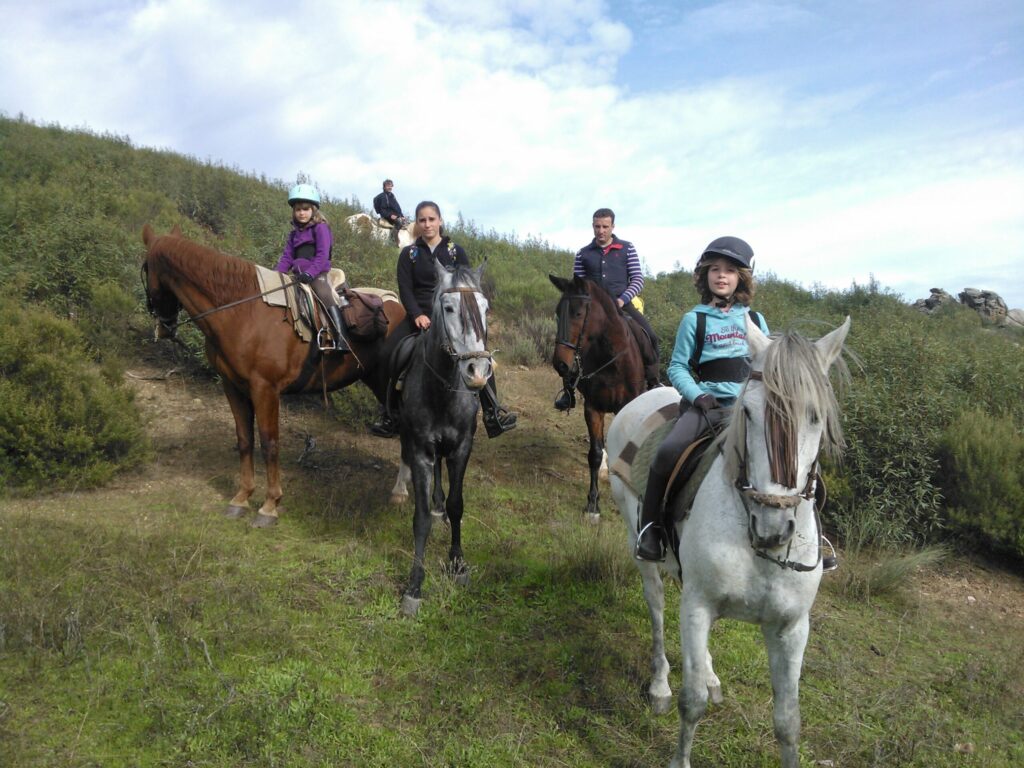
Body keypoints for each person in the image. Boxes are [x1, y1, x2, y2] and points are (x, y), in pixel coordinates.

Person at [634, 236, 769, 562]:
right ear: (705, 275)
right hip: (706, 407)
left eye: (729, 271)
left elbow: (768, 368)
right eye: (715, 269)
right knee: (667, 452)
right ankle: (649, 528)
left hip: (747, 408)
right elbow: (677, 366)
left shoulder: (757, 321)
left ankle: (814, 537)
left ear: (741, 278)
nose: (721, 276)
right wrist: (698, 395)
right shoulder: (694, 319)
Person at [369, 201, 518, 439]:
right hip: (419, 316)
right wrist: (417, 314)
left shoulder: (455, 251)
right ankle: (391, 414)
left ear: (440, 221)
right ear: (416, 224)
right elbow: (405, 288)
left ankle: (492, 412)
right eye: (422, 220)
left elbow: (468, 287)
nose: (427, 224)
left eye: (431, 219)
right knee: (388, 353)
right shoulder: (410, 254)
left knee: (480, 354)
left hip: (454, 318)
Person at [554, 207, 660, 411]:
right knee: (571, 340)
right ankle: (568, 391)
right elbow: (578, 285)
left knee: (651, 337)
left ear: (613, 226)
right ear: (592, 226)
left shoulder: (627, 248)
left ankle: (653, 383)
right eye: (597, 226)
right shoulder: (583, 254)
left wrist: (622, 299)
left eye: (605, 226)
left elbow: (638, 279)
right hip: (593, 311)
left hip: (623, 304)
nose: (600, 231)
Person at [274, 183, 350, 353]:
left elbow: (322, 255)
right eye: (298, 209)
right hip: (299, 275)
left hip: (317, 274)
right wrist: (275, 275)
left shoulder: (320, 228)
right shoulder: (293, 234)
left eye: (306, 209)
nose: (301, 213)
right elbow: (287, 257)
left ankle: (342, 338)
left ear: (313, 210)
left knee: (324, 294)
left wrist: (311, 272)